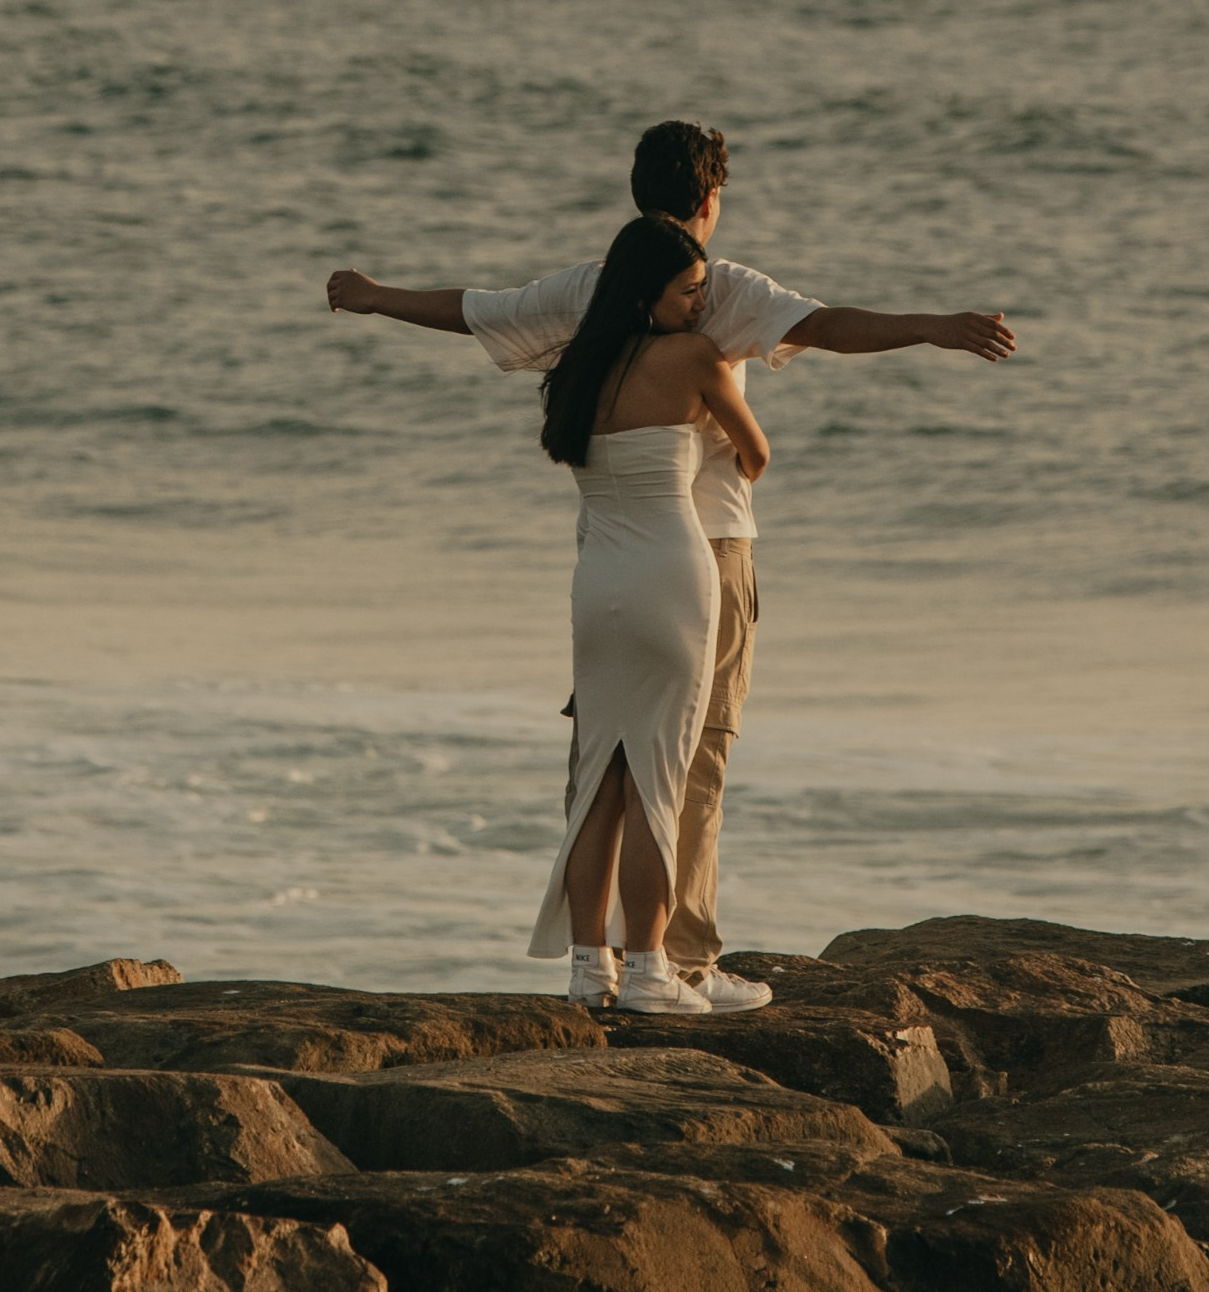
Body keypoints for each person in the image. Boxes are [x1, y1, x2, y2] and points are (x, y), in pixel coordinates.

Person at [326, 121, 1014, 1011]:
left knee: (604, 767)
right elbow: (828, 326)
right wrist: (932, 327)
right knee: (694, 756)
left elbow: (472, 307)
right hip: (704, 555)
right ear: (709, 200)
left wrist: (377, 295)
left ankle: (599, 959)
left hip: (602, 560)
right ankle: (677, 960)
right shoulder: (713, 295)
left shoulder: (589, 290)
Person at [526, 214, 766, 1011]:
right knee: (656, 777)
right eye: (689, 290)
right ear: (647, 291)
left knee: (600, 776)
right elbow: (756, 455)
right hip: (672, 571)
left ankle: (589, 968)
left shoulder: (577, 365)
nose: (701, 304)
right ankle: (650, 971)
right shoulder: (694, 358)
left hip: (599, 582)